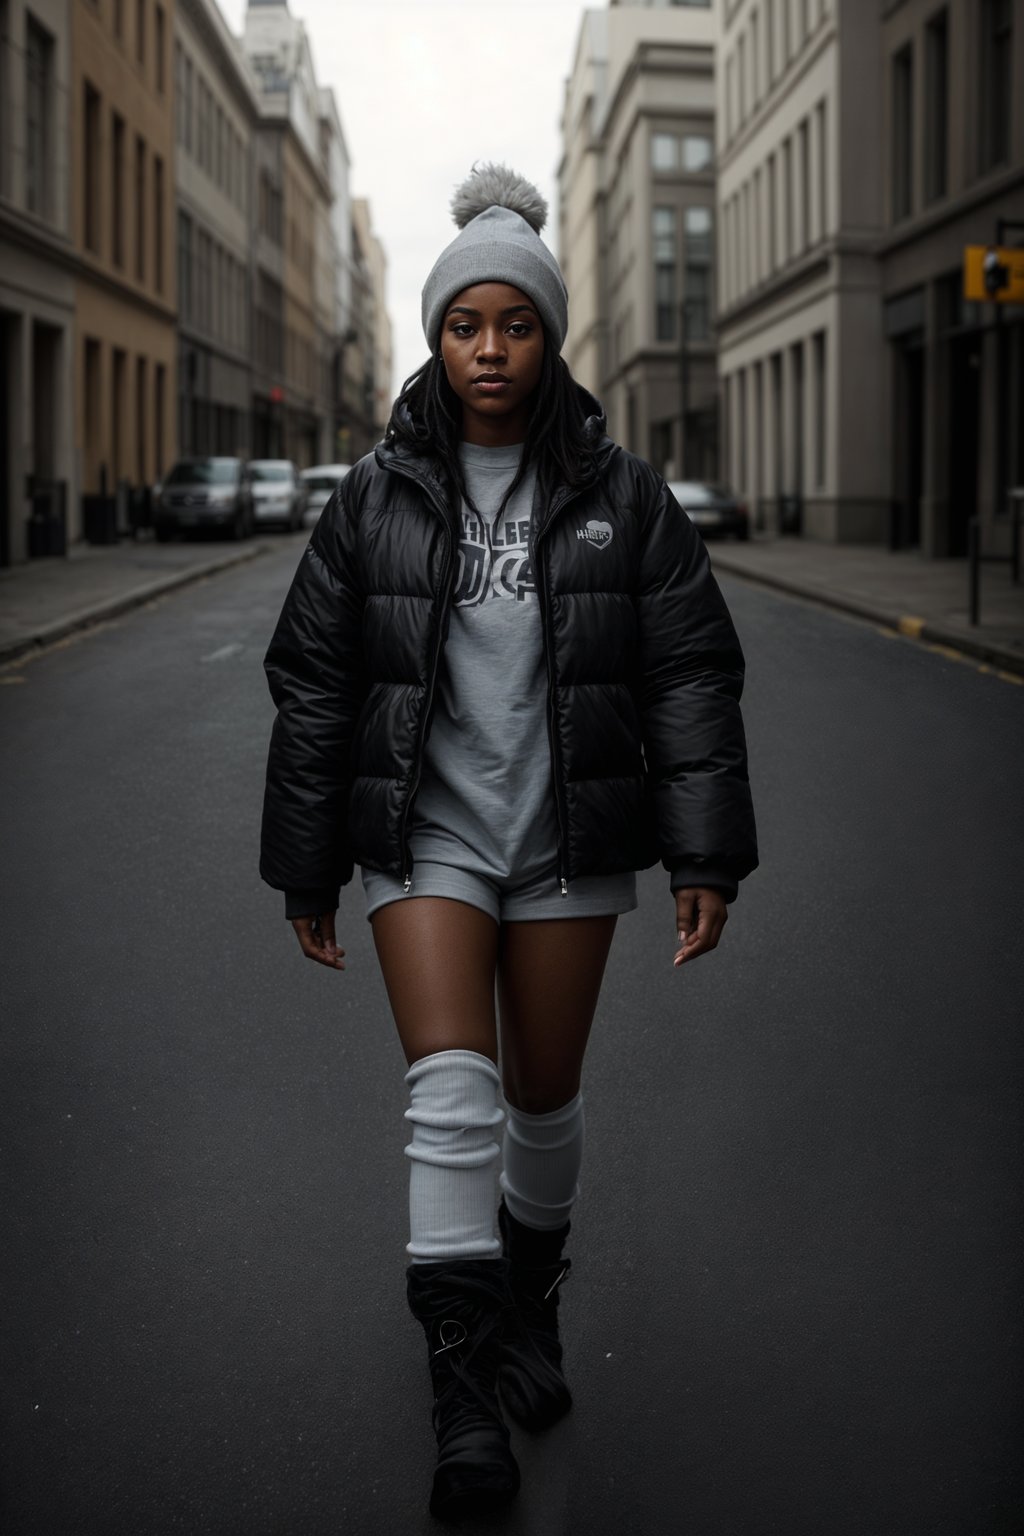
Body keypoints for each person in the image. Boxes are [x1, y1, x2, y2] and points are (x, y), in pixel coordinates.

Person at [260, 163, 757, 1521]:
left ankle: (528, 1307)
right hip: (426, 837)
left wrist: (704, 853)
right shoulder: (372, 497)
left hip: (566, 832)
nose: (490, 350)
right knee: (453, 1097)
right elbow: (314, 676)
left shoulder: (623, 495)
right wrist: (308, 855)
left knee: (542, 1102)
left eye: (516, 324)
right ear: (436, 335)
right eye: (465, 325)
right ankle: (461, 1380)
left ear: (548, 335)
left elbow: (690, 674)